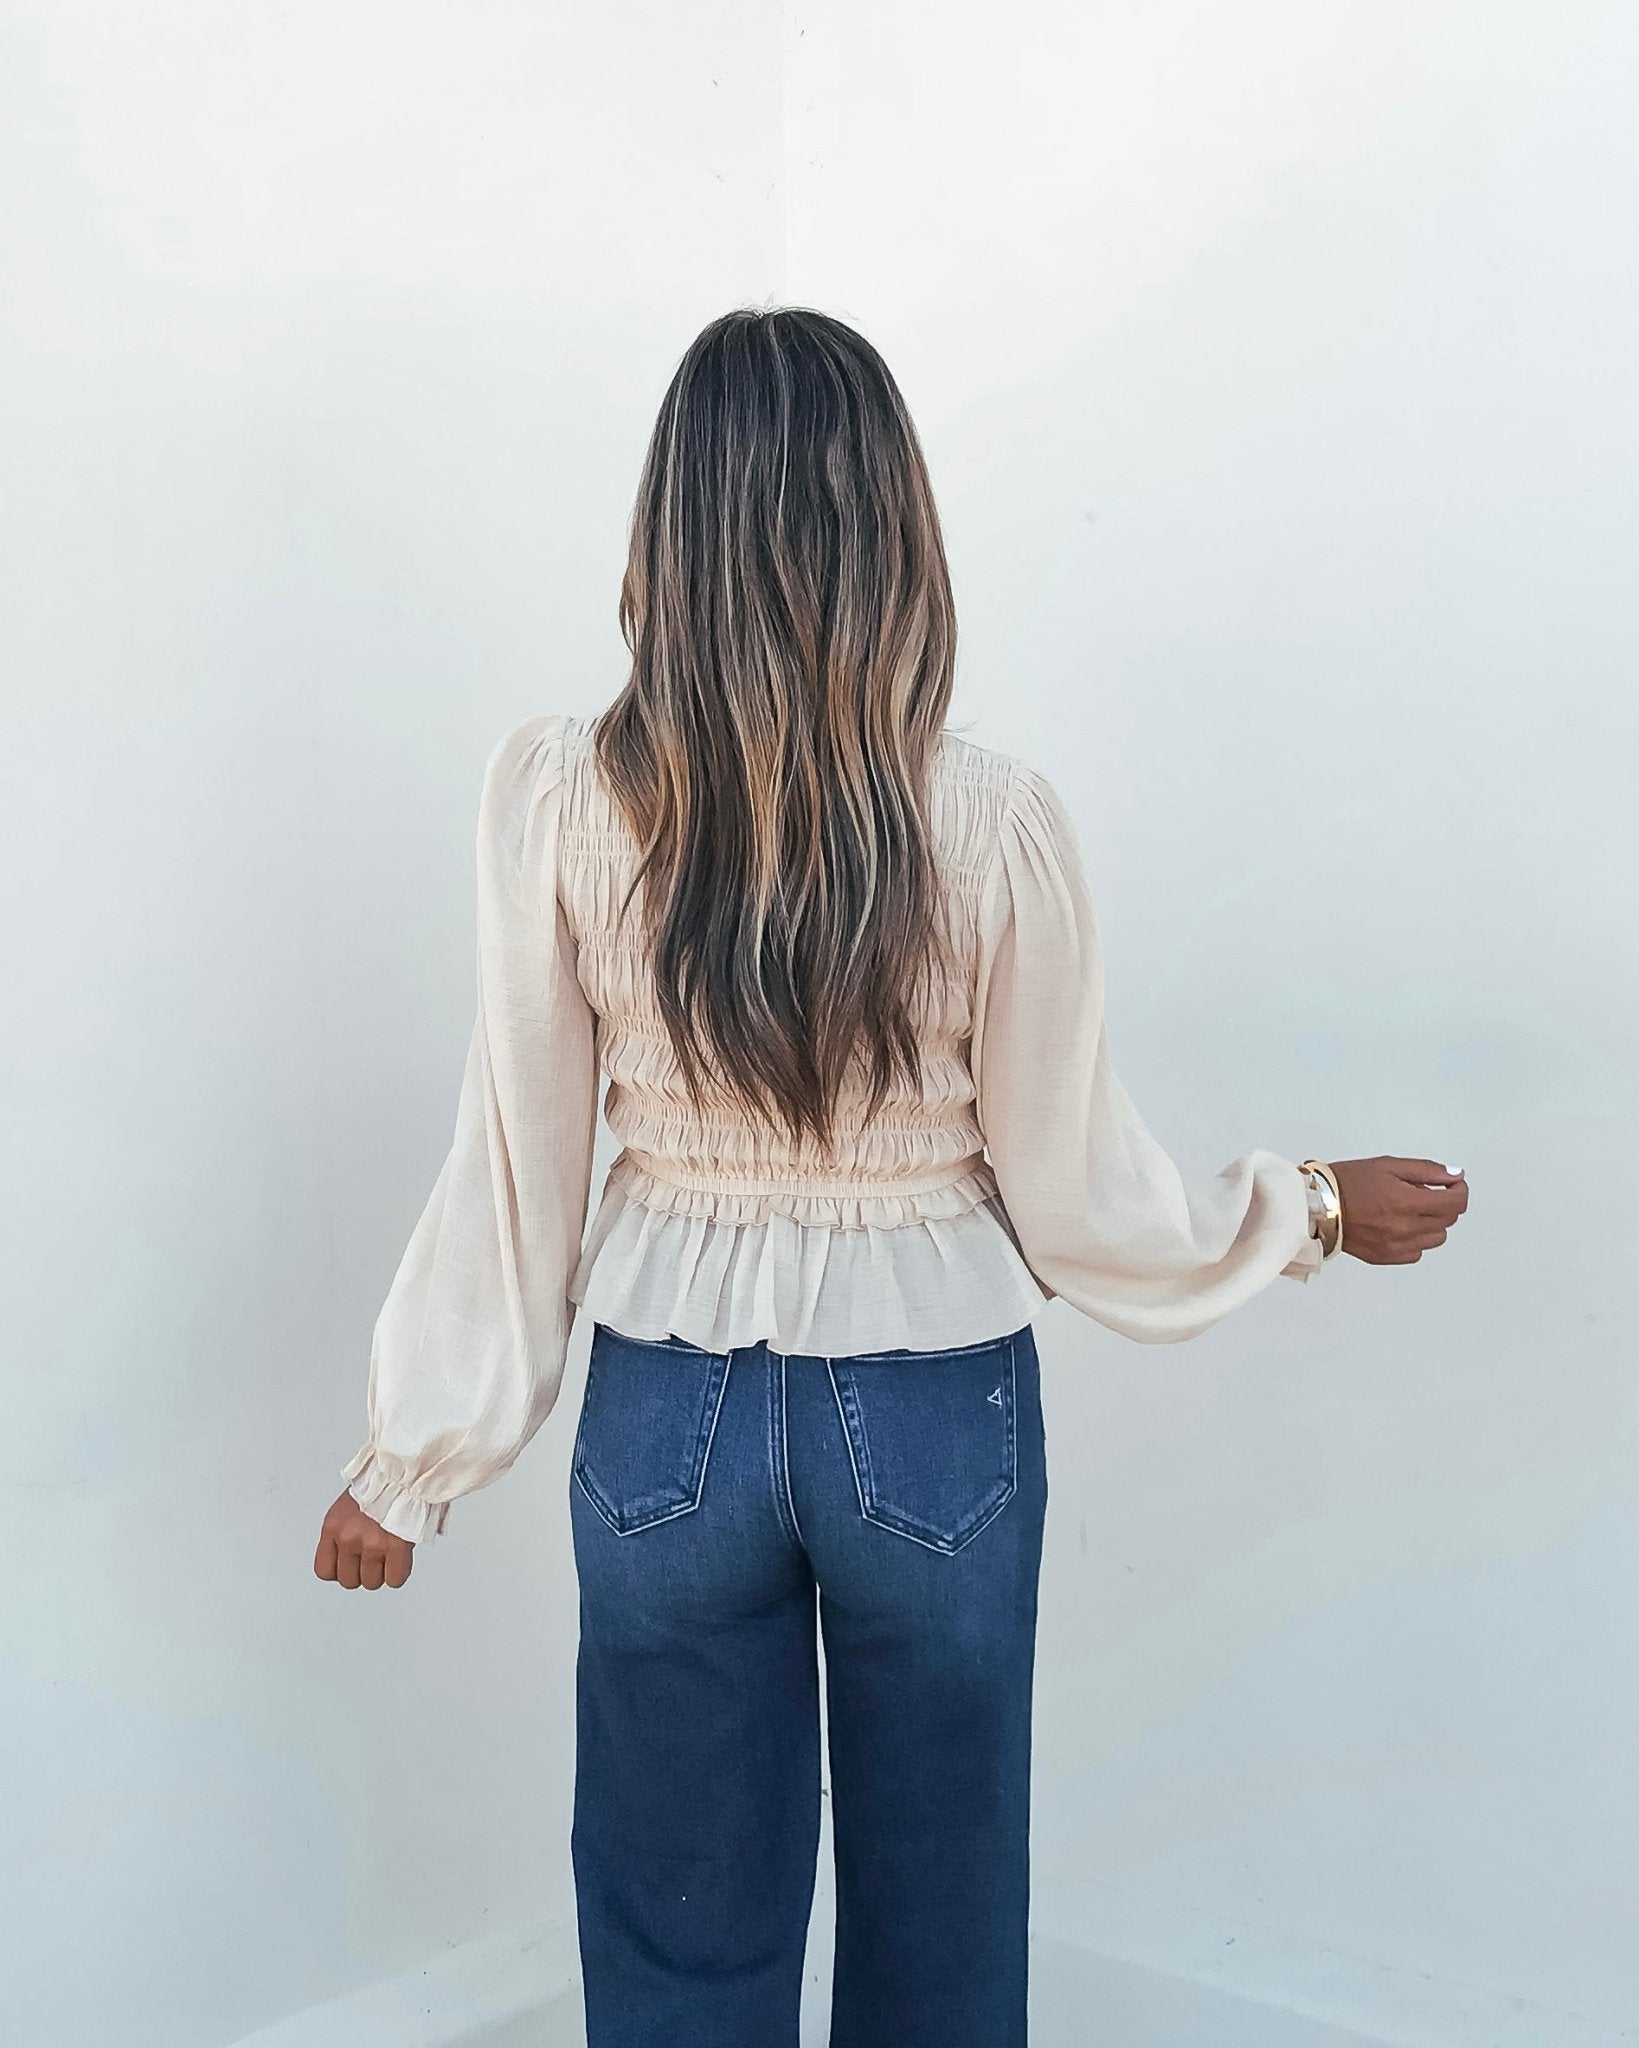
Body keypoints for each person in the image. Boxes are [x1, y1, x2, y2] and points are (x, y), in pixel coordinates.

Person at [312, 306, 1468, 2047]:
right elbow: (1076, 1194)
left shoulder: (567, 801)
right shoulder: (992, 824)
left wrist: (413, 1460)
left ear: (664, 534)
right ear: (899, 531)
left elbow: (517, 1158)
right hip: (934, 1427)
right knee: (942, 1915)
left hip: (664, 1429)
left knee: (673, 1909)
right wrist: (1299, 1205)